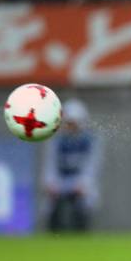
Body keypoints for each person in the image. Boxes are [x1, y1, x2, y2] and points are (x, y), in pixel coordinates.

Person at [42, 99, 103, 232]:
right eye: (68, 123)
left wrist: (83, 184)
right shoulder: (56, 140)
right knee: (49, 204)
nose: (70, 127)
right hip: (61, 179)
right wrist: (51, 183)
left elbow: (92, 165)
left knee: (87, 199)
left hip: (79, 179)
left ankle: (82, 230)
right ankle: (53, 231)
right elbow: (50, 164)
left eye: (73, 123)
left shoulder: (90, 140)